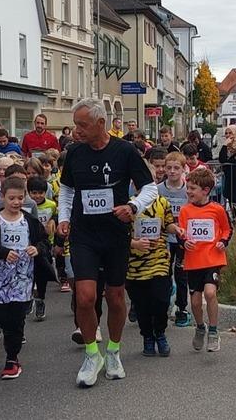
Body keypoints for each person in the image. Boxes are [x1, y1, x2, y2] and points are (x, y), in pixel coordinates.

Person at [57, 98, 157, 388]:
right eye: (75, 124)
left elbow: (149, 187)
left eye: (82, 125)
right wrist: (64, 216)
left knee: (115, 297)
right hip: (84, 233)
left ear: (101, 124)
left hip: (115, 233)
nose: (77, 130)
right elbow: (66, 189)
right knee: (86, 296)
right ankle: (92, 354)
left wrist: (134, 207)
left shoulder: (124, 151)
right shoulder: (75, 153)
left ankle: (113, 351)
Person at [0, 177, 49, 379]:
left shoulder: (30, 221)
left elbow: (43, 241)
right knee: (1, 316)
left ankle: (12, 358)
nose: (16, 202)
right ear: (2, 197)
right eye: (11, 198)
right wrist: (2, 252)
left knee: (17, 318)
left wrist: (37, 248)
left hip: (23, 278)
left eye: (20, 198)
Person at [126, 164, 179, 357]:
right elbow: (119, 235)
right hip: (135, 266)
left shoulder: (162, 202)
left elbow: (169, 223)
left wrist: (177, 230)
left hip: (159, 261)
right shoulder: (127, 205)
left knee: (160, 301)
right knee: (142, 305)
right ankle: (147, 337)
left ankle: (161, 333)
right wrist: (134, 244)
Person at [178, 168, 233, 353]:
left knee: (210, 293)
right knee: (194, 302)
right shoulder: (185, 211)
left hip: (213, 258)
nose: (189, 191)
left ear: (206, 190)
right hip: (194, 261)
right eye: (188, 187)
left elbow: (227, 229)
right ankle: (201, 327)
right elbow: (181, 233)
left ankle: (214, 332)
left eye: (193, 188)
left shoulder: (217, 209)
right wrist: (184, 242)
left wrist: (223, 242)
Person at [157, 152, 191, 327]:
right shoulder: (159, 189)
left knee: (181, 274)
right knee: (164, 273)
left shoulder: (188, 190)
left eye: (176, 168)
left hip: (182, 238)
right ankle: (163, 305)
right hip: (164, 237)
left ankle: (182, 308)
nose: (171, 171)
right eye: (168, 167)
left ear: (183, 169)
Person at [27, 176, 57, 321]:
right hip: (29, 244)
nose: (37, 196)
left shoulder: (51, 205)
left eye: (41, 193)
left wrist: (52, 221)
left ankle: (40, 299)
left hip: (45, 244)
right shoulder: (25, 205)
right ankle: (29, 296)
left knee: (42, 272)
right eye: (33, 193)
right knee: (29, 272)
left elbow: (57, 217)